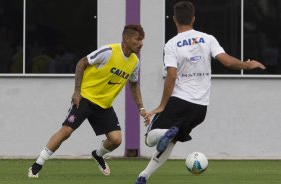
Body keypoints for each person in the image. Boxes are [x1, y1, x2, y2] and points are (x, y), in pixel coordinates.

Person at [135, 1, 266, 184]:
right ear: (193, 18)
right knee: (170, 141)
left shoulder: (172, 44)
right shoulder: (208, 38)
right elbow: (227, 62)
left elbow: (171, 76)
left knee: (150, 138)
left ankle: (165, 132)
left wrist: (162, 106)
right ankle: (143, 176)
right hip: (200, 109)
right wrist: (247, 64)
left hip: (179, 102)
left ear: (174, 20)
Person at [28, 24, 148, 178]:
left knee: (116, 140)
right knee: (66, 131)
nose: (141, 43)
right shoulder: (109, 52)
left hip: (104, 105)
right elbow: (81, 63)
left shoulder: (134, 62)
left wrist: (141, 108)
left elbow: (134, 86)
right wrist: (77, 92)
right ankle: (37, 164)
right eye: (138, 39)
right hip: (85, 98)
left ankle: (98, 154)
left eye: (142, 40)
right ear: (126, 38)